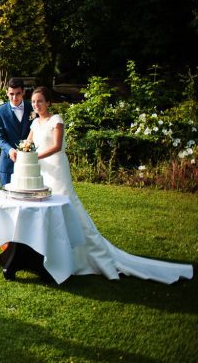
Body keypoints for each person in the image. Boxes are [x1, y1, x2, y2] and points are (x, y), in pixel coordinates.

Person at [27, 86, 193, 284]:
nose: (36, 105)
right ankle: (53, 254)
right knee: (46, 208)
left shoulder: (57, 120)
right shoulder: (35, 123)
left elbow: (56, 146)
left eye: (40, 101)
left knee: (67, 206)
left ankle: (87, 253)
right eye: (34, 102)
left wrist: (35, 155)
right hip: (43, 170)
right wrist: (22, 151)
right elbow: (28, 142)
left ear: (48, 102)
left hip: (57, 168)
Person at [0, 78, 33, 188]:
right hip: (7, 165)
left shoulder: (33, 108)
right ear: (6, 93)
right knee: (7, 200)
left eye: (18, 94)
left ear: (23, 92)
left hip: (30, 163)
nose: (14, 97)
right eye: (11, 94)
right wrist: (10, 150)